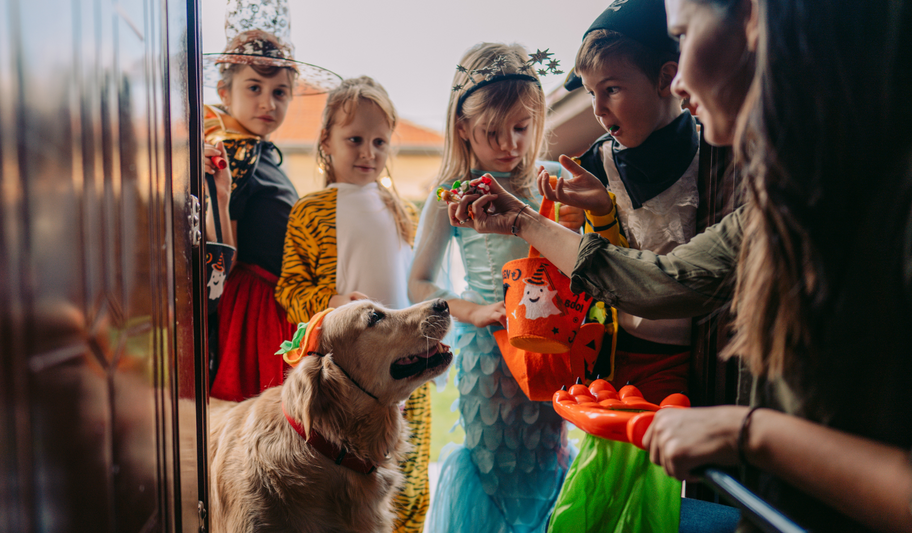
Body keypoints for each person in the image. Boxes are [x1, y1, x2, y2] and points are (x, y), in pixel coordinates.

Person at [448, 0, 912, 530]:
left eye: (685, 35)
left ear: (756, 23)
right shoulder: (778, 202)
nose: (679, 73)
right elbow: (659, 282)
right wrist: (522, 221)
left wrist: (748, 433)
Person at [408, 42, 575, 533]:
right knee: (495, 465)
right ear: (462, 128)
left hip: (550, 349)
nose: (510, 144)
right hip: (488, 355)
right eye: (492, 132)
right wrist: (472, 309)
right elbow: (418, 281)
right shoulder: (452, 196)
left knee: (546, 457)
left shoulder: (554, 182)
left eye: (522, 128)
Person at [273, 76, 432, 533]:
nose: (368, 152)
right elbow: (289, 289)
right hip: (347, 379)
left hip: (408, 367)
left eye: (379, 141)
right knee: (343, 483)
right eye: (354, 140)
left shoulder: (404, 210)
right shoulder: (309, 210)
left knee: (409, 481)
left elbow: (415, 286)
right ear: (326, 141)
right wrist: (331, 302)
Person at [559, 0, 703, 402]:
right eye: (591, 93)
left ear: (666, 78)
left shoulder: (712, 152)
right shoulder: (595, 163)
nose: (598, 110)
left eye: (612, 89)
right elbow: (603, 265)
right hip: (617, 350)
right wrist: (595, 214)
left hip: (698, 356)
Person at [203, 0, 341, 402]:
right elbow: (221, 246)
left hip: (277, 298)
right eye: (254, 89)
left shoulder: (263, 154)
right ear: (224, 91)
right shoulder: (230, 154)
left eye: (280, 92)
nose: (269, 103)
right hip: (253, 302)